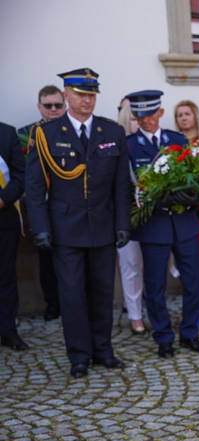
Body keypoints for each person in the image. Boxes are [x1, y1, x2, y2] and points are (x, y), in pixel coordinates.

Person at [25, 68, 132, 377]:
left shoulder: (111, 132)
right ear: (67, 95)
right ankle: (79, 356)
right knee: (71, 294)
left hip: (102, 225)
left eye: (92, 95)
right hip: (64, 229)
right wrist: (40, 227)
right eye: (81, 94)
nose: (87, 100)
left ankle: (103, 350)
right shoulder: (45, 134)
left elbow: (121, 184)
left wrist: (122, 223)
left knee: (102, 292)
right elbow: (34, 187)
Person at [127, 90, 199, 358]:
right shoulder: (129, 145)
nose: (146, 121)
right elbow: (127, 187)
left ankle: (190, 333)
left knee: (194, 283)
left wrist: (192, 194)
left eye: (150, 115)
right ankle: (163, 337)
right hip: (153, 226)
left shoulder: (177, 140)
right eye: (140, 116)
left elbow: (193, 177)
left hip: (184, 224)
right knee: (155, 287)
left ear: (160, 113)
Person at [18, 85, 66, 322]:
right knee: (46, 258)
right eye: (49, 106)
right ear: (40, 107)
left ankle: (74, 301)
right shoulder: (25, 134)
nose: (54, 109)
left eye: (58, 105)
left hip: (72, 206)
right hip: (42, 206)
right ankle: (53, 302)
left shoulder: (73, 130)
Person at [116, 102, 147, 335]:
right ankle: (135, 316)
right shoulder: (118, 148)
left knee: (151, 265)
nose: (138, 123)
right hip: (127, 214)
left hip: (151, 214)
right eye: (134, 119)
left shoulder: (151, 145)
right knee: (131, 266)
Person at [0, 122, 28, 351]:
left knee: (6, 277)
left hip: (3, 217)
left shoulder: (6, 132)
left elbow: (21, 174)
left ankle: (7, 331)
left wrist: (3, 198)